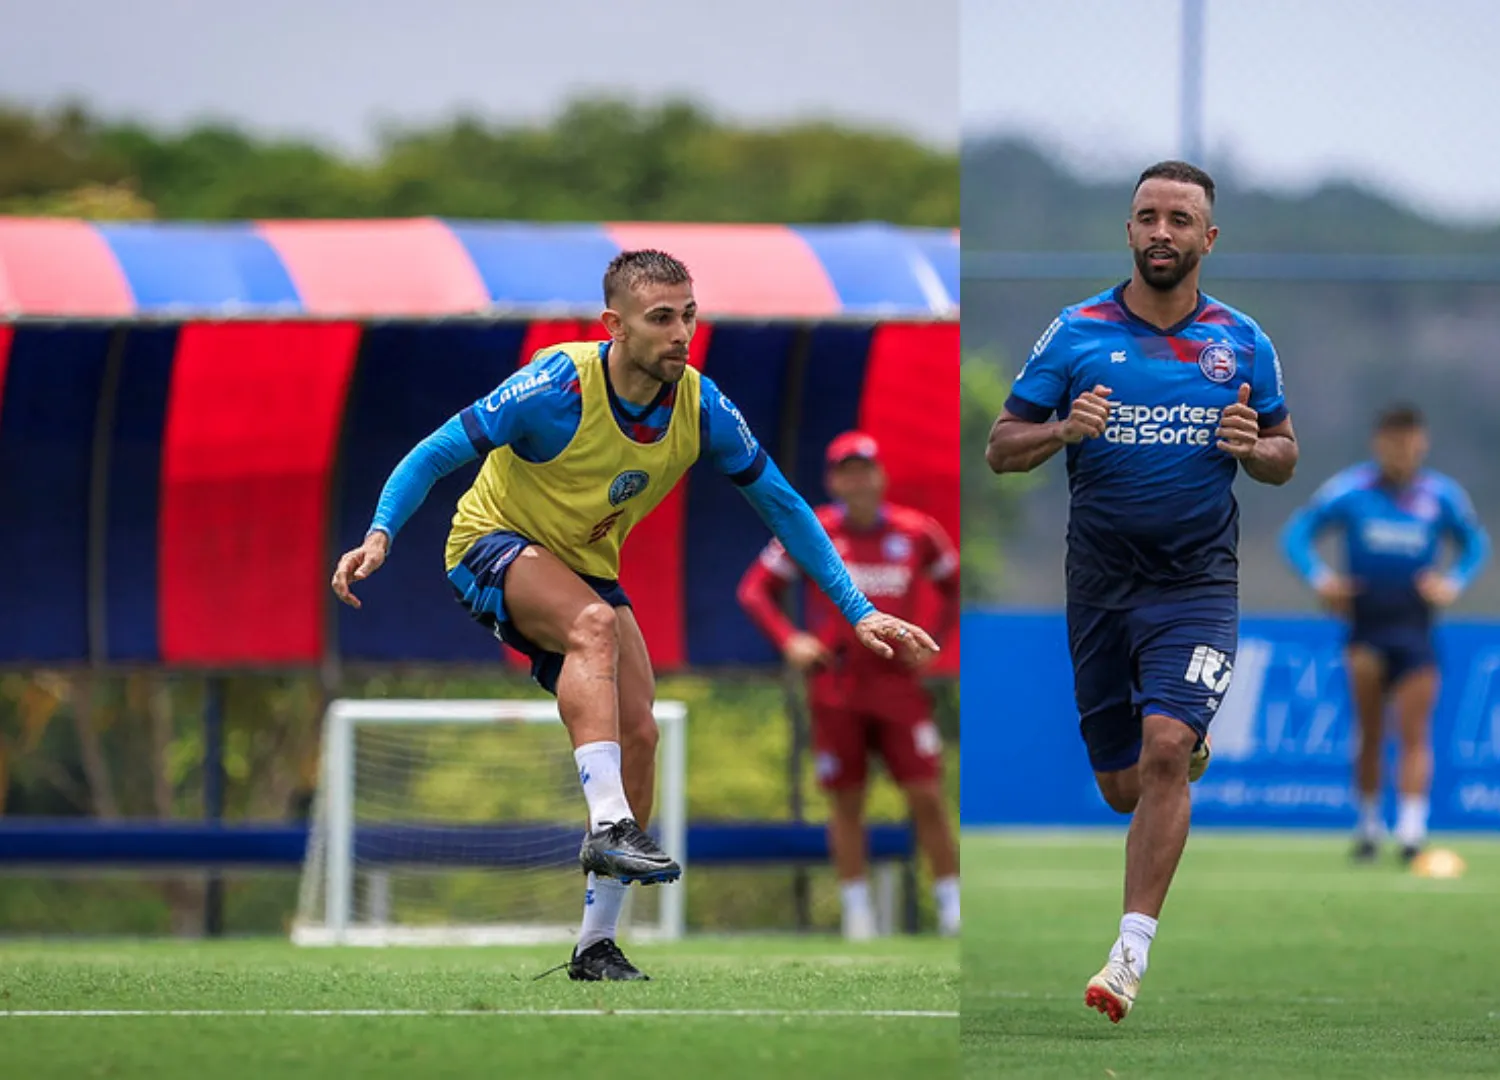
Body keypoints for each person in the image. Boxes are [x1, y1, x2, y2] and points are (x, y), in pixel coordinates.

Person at [329, 250, 937, 982]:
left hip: (585, 571)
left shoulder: (702, 406)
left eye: (688, 315)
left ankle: (595, 945)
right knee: (593, 627)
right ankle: (611, 824)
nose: (681, 333)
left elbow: (783, 504)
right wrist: (379, 533)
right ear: (614, 326)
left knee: (641, 732)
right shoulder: (554, 386)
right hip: (487, 548)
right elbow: (431, 455)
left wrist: (859, 609)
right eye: (661, 319)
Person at [985, 160, 1299, 1023]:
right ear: (1129, 230)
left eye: (1179, 219)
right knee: (1124, 786)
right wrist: (1061, 429)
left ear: (1208, 237)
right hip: (1099, 587)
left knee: (1165, 749)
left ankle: (1127, 956)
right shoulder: (1077, 332)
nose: (1162, 232)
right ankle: (1178, 753)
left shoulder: (1242, 342)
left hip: (1198, 585)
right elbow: (1000, 446)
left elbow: (1283, 454)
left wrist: (1251, 445)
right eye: (1147, 217)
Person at [736, 431, 962, 940]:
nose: (858, 481)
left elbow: (953, 583)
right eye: (847, 471)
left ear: (880, 476)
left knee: (926, 792)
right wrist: (790, 639)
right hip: (836, 684)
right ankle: (858, 915)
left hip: (897, 684)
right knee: (845, 799)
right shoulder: (813, 530)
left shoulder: (916, 532)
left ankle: (951, 907)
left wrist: (936, 644)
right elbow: (755, 590)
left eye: (866, 470)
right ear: (833, 480)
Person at [1281, 404, 1489, 866]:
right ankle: (1370, 827)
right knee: (1371, 731)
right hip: (1367, 625)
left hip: (1415, 625)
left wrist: (1451, 583)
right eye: (1394, 443)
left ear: (1423, 444)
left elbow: (1476, 544)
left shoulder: (1441, 496)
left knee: (1415, 731)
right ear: (1379, 444)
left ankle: (1412, 832)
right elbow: (1297, 535)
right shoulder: (1351, 490)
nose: (1402, 452)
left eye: (1411, 443)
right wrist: (1322, 580)